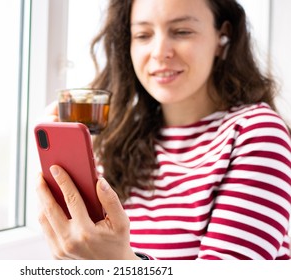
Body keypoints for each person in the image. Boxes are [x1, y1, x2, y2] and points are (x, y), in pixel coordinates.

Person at [36, 0, 291, 260]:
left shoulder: (256, 133)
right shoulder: (117, 140)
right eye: (143, 35)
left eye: (181, 32)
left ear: (222, 37)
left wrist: (122, 263)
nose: (159, 52)